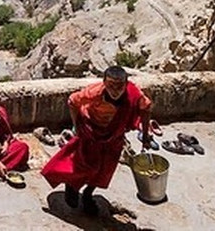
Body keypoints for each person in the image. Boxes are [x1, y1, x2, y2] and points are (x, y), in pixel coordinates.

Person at [42, 66, 153, 215]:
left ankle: (88, 194)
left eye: (119, 86)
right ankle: (72, 186)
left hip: (114, 135)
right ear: (104, 83)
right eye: (111, 85)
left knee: (105, 169)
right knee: (87, 165)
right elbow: (72, 101)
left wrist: (145, 136)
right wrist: (77, 126)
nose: (115, 90)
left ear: (126, 84)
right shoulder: (93, 93)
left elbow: (146, 109)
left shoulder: (134, 94)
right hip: (92, 130)